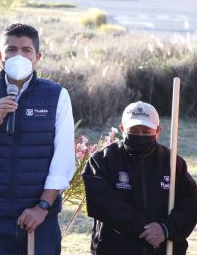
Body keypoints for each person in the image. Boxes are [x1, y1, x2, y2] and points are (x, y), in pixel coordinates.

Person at [0, 23, 75, 255]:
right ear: (0, 56)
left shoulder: (57, 96)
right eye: (11, 50)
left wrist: (42, 208)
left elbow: (63, 162)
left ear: (37, 57)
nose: (18, 56)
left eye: (26, 50)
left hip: (40, 218)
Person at [82, 101, 197, 255]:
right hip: (114, 249)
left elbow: (191, 202)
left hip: (164, 250)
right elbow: (103, 204)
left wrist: (166, 228)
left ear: (158, 130)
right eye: (134, 130)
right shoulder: (102, 161)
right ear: (122, 129)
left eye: (146, 130)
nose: (140, 135)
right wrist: (145, 228)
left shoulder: (173, 163)